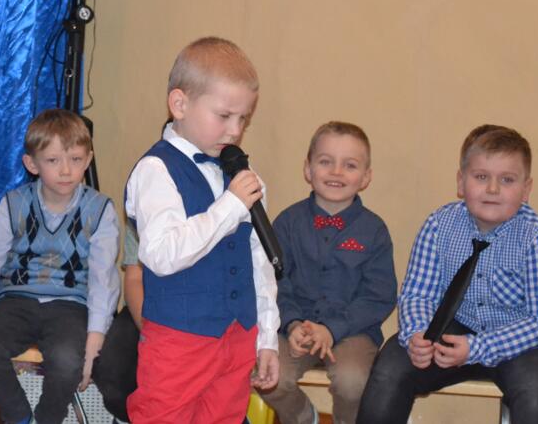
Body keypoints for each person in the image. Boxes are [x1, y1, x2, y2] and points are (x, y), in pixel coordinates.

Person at [356, 125, 538, 424]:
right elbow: (418, 294)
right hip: (458, 331)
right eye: (481, 177)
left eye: (507, 180)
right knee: (391, 365)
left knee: (534, 384)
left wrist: (477, 348)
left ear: (526, 190)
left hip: (532, 344)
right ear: (461, 182)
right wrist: (417, 335)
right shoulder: (439, 225)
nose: (493, 189)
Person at [124, 36, 280, 423]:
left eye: (243, 119)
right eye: (224, 116)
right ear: (179, 104)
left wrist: (267, 336)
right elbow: (161, 254)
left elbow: (259, 263)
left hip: (238, 334)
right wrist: (229, 207)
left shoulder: (240, 173)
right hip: (179, 339)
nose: (235, 130)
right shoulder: (156, 170)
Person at [0, 109, 120, 424]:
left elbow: (103, 280)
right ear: (32, 164)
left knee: (67, 359)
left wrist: (94, 342)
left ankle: (47, 419)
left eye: (76, 159)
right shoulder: (13, 203)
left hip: (70, 305)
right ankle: (19, 416)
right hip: (16, 300)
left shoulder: (100, 210)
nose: (66, 170)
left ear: (88, 159)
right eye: (53, 160)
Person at [261, 122, 397, 424]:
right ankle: (303, 416)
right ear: (308, 169)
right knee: (269, 375)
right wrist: (292, 323)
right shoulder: (287, 223)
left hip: (353, 331)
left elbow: (379, 296)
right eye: (325, 161)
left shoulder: (374, 230)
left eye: (350, 165)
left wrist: (333, 329)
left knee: (353, 381)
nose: (336, 172)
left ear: (366, 177)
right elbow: (274, 282)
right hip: (294, 327)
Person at [90, 219, 143, 422]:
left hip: (201, 315)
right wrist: (152, 331)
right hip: (146, 307)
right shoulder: (141, 207)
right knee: (114, 372)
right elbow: (134, 279)